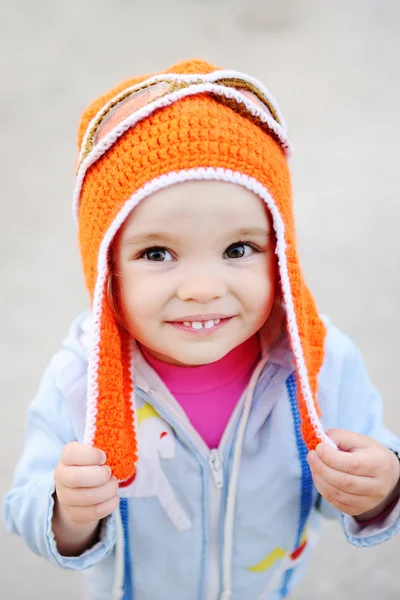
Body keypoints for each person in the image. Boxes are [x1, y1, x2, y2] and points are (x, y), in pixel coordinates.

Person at [3, 59, 400, 600]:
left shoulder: (319, 364)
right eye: (158, 252)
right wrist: (67, 513)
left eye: (239, 249)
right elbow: (25, 503)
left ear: (281, 253)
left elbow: (362, 467)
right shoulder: (82, 380)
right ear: (106, 269)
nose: (203, 287)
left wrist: (380, 489)